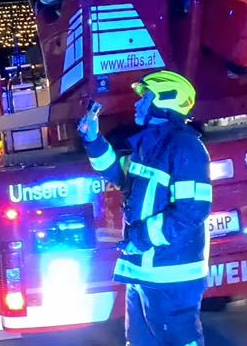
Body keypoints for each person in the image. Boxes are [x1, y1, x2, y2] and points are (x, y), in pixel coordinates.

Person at [78, 70, 211, 346]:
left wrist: (140, 239)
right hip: (141, 271)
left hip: (170, 277)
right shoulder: (150, 145)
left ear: (165, 102)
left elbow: (192, 212)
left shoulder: (186, 147)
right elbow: (118, 174)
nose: (137, 104)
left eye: (145, 98)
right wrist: (93, 140)